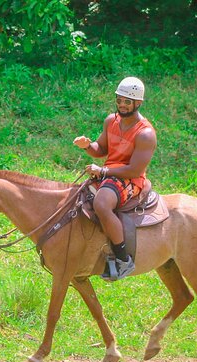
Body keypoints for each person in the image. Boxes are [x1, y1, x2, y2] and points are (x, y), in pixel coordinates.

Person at [73, 76, 157, 280]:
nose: (122, 105)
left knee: (102, 204)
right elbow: (100, 149)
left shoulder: (145, 133)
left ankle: (123, 259)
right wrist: (87, 145)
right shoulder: (112, 121)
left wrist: (103, 172)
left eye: (127, 101)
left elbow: (135, 170)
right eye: (119, 100)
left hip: (130, 179)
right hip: (109, 173)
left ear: (138, 103)